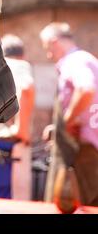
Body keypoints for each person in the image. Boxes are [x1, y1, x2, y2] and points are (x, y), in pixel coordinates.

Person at [40, 22, 98, 206]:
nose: (48, 55)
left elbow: (86, 89)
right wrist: (57, 126)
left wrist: (67, 120)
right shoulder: (84, 60)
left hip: (85, 153)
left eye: (47, 48)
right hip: (83, 150)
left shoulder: (75, 61)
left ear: (54, 41)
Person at [0, 34, 35, 200]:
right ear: (23, 54)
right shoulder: (20, 66)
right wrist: (22, 130)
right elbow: (27, 89)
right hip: (6, 147)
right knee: (4, 202)